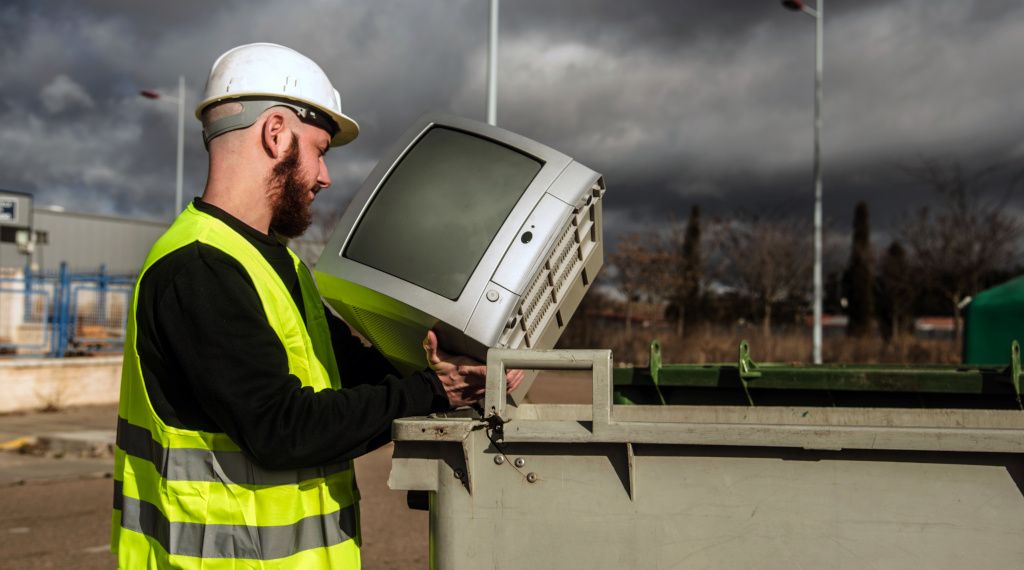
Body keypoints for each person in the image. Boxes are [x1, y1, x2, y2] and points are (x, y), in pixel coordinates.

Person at [111, 42, 521, 569]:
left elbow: (345, 372)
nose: (325, 177)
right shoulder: (199, 268)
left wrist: (440, 370)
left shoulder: (275, 263)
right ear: (276, 132)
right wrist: (430, 391)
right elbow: (284, 429)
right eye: (320, 150)